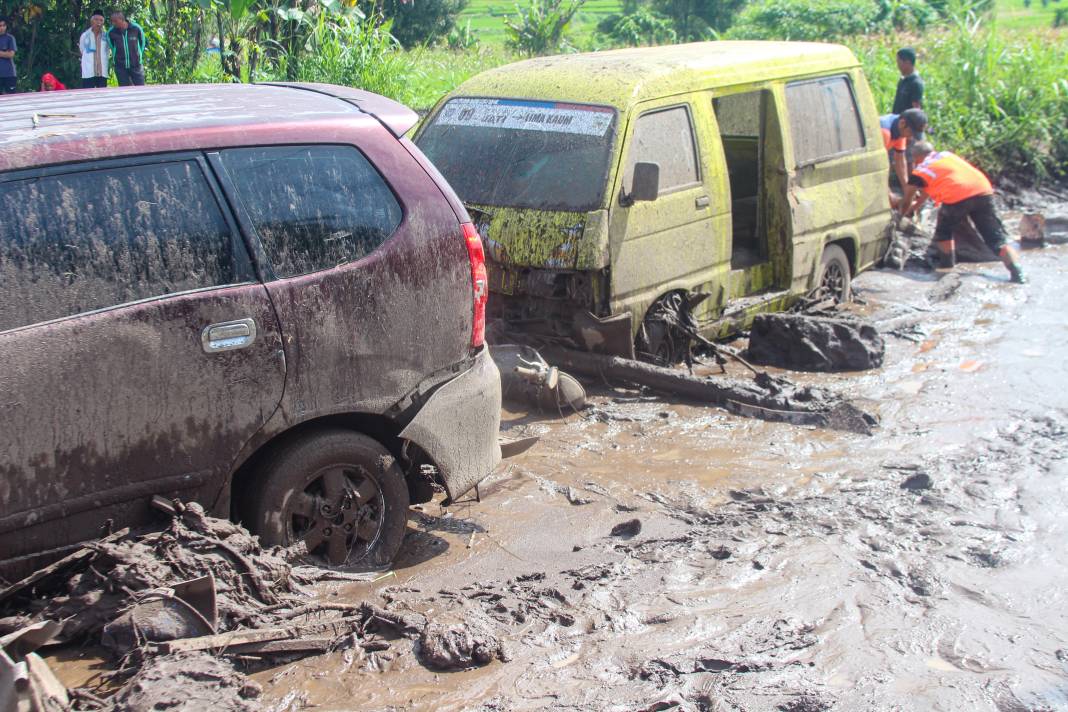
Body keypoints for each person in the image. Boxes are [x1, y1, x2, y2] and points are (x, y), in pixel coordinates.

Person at [902, 141, 1026, 284]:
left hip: (957, 196)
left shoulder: (920, 171)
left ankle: (947, 268)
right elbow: (927, 189)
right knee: (996, 239)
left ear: (915, 158)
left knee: (943, 233)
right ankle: (1018, 274)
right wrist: (917, 205)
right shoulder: (946, 155)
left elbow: (906, 200)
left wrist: (902, 215)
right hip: (983, 191)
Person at [880, 108, 927, 207]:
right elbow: (877, 166)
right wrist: (888, 194)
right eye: (910, 133)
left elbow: (900, 160)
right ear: (902, 123)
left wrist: (907, 189)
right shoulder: (885, 131)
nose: (910, 137)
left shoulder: (900, 129)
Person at [108, 10, 146, 86]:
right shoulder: (111, 32)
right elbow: (112, 46)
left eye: (115, 21)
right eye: (112, 21)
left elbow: (142, 43)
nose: (113, 23)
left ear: (122, 20)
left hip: (136, 65)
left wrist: (137, 56)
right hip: (120, 67)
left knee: (141, 88)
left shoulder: (136, 28)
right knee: (124, 90)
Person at [79, 9, 110, 89]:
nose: (98, 22)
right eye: (96, 19)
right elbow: (82, 50)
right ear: (91, 21)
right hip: (88, 72)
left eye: (101, 20)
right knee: (88, 95)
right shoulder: (85, 36)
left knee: (102, 96)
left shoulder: (106, 37)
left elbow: (107, 52)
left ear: (103, 22)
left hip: (102, 72)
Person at [891, 47, 924, 114]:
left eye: (899, 62)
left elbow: (916, 109)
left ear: (907, 63)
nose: (897, 66)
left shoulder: (916, 83)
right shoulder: (903, 80)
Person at [0, 17, 17, 95]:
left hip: (9, 74)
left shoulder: (10, 38)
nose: (2, 28)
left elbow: (11, 54)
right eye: (0, 26)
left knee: (11, 98)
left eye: (3, 25)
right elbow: (7, 53)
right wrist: (4, 53)